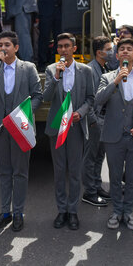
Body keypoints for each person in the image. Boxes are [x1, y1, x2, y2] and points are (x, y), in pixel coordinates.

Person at [0, 31, 43, 232]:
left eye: (7, 44)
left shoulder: (28, 68)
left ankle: (18, 213)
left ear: (16, 48)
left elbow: (37, 96)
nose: (3, 48)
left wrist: (23, 115)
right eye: (0, 45)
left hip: (21, 127)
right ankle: (5, 212)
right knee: (3, 172)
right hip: (0, 127)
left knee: (20, 172)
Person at [95, 38, 133, 231]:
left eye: (130, 49)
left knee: (132, 178)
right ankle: (116, 211)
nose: (126, 52)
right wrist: (117, 81)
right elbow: (98, 100)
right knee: (114, 176)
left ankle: (129, 212)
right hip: (113, 136)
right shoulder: (108, 77)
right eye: (122, 49)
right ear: (117, 55)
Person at [43, 33, 94, 230]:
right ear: (57, 50)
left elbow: (91, 98)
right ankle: (61, 210)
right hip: (57, 127)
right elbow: (47, 97)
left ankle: (73, 211)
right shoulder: (50, 70)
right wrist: (56, 77)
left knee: (74, 171)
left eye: (67, 46)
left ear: (74, 48)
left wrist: (80, 113)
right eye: (60, 46)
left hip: (76, 127)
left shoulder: (86, 70)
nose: (63, 49)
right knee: (59, 171)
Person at [82, 36, 112, 207]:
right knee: (90, 157)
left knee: (99, 156)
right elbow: (90, 98)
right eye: (109, 49)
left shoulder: (104, 67)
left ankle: (97, 185)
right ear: (99, 52)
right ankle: (89, 192)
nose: (112, 52)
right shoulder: (91, 70)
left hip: (103, 119)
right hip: (95, 120)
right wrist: (93, 121)